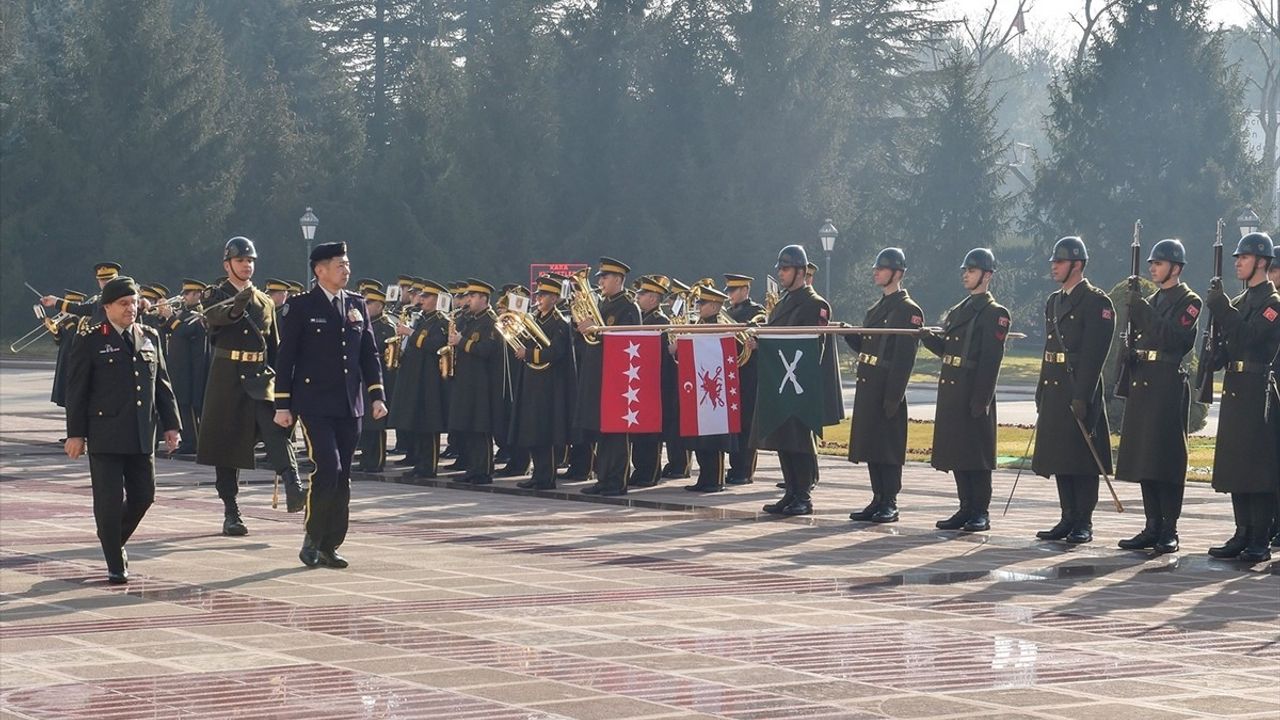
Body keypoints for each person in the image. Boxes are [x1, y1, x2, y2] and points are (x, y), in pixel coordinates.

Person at [274, 242, 387, 569]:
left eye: (347, 264)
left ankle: (330, 544)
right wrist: (283, 405)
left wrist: (377, 395)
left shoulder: (356, 304)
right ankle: (312, 537)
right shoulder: (301, 306)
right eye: (340, 265)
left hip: (350, 404)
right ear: (319, 270)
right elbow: (286, 358)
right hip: (314, 404)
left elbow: (369, 353)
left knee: (344, 475)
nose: (346, 270)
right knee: (328, 468)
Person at [63, 277, 180, 583]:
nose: (131, 309)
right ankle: (115, 561)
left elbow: (162, 385)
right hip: (106, 434)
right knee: (109, 501)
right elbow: (77, 390)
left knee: (144, 496)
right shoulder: (91, 339)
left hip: (142, 431)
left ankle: (112, 541)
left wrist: (172, 425)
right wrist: (75, 434)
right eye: (123, 304)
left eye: (133, 302)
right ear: (107, 308)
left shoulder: (150, 336)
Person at [197, 237, 304, 535]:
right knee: (226, 445)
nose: (247, 265)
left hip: (259, 375)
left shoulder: (265, 301)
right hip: (227, 377)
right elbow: (216, 319)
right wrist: (236, 305)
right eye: (241, 260)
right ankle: (231, 511)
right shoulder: (215, 294)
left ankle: (293, 483)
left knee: (275, 427)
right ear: (227, 264)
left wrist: (286, 386)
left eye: (251, 261)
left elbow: (276, 348)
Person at [1114, 239, 1201, 554]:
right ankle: (1152, 525)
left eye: (1159, 263)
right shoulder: (1152, 299)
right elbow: (1144, 336)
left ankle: (1169, 528)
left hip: (1166, 383)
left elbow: (1173, 339)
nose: (1152, 268)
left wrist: (1141, 308)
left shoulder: (1190, 301)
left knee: (1166, 457)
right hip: (1144, 381)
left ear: (1175, 268)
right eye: (1151, 263)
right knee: (1145, 457)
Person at [1031, 236, 1115, 545]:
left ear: (1077, 265)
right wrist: (1041, 388)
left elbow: (1095, 354)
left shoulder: (1097, 302)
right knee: (1060, 456)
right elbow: (1048, 349)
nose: (1054, 266)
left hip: (1079, 386)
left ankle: (1083, 520)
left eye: (1060, 261)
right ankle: (1067, 516)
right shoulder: (1054, 301)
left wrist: (1083, 395)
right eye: (1054, 261)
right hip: (1055, 386)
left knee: (1081, 459)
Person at [919, 249, 1010, 532]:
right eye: (966, 270)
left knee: (977, 455)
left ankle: (980, 510)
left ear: (987, 275)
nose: (966, 275)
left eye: (971, 270)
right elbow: (949, 350)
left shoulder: (995, 313)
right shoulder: (960, 310)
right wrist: (929, 340)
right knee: (959, 451)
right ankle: (965, 507)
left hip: (973, 390)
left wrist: (981, 398)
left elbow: (991, 359)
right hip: (954, 389)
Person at [1204, 232, 1280, 562]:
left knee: (1257, 467)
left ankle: (1259, 538)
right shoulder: (1240, 303)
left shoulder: (1273, 304)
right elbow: (1231, 345)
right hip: (1236, 388)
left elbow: (1251, 337)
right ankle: (1242, 532)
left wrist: (1222, 309)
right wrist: (1213, 355)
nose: (1238, 263)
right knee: (1237, 462)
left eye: (1244, 258)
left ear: (1262, 262)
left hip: (1258, 388)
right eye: (1236, 258)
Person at [846, 248, 924, 524]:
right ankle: (877, 497)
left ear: (898, 273)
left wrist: (894, 395)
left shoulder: (908, 310)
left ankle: (889, 500)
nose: (876, 272)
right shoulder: (876, 309)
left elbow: (904, 357)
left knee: (888, 447)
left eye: (882, 268)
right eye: (876, 268)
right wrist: (850, 335)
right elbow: (868, 347)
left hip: (887, 385)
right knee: (872, 444)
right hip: (869, 382)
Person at [753, 245, 832, 515]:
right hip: (780, 380)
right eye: (780, 268)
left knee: (798, 439)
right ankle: (791, 491)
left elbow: (812, 345)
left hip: (799, 380)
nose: (781, 273)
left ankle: (803, 494)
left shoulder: (815, 304)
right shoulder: (783, 303)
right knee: (783, 438)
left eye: (785, 268)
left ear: (800, 271)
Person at [573, 258, 641, 496]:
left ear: (619, 280)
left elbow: (628, 341)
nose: (600, 281)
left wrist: (597, 329)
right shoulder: (602, 305)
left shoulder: (628, 307)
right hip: (598, 374)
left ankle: (616, 480)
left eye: (605, 277)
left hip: (618, 377)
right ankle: (603, 477)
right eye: (600, 277)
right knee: (603, 431)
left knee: (617, 432)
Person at [510, 275, 576, 490]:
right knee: (532, 430)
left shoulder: (559, 323)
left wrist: (527, 353)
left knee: (545, 431)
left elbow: (556, 352)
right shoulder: (535, 319)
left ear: (555, 298)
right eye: (538, 294)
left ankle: (546, 477)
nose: (539, 299)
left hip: (549, 385)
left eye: (544, 295)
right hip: (531, 381)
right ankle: (537, 474)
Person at [446, 279, 506, 485]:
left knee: (480, 428)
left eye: (472, 296)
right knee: (470, 427)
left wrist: (461, 342)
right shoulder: (471, 319)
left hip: (483, 384)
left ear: (483, 298)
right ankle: (473, 468)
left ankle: (482, 471)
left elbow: (486, 350)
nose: (468, 300)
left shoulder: (491, 321)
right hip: (468, 381)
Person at [681, 285, 738, 492]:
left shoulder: (720, 327)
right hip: (699, 387)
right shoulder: (699, 324)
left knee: (714, 436)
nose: (698, 306)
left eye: (702, 303)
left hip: (715, 390)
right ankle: (704, 477)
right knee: (700, 436)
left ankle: (715, 479)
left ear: (714, 306)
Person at [629, 275, 673, 488]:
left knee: (650, 433)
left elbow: (662, 355)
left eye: (642, 294)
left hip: (655, 383)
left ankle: (650, 472)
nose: (638, 297)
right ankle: (640, 469)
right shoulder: (641, 318)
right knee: (638, 431)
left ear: (654, 299)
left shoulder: (661, 321)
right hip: (640, 381)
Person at [723, 274, 767, 485]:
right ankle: (734, 467)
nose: (730, 295)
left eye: (733, 291)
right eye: (729, 291)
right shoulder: (727, 313)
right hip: (731, 373)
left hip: (749, 374)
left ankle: (745, 469)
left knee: (747, 423)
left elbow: (762, 333)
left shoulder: (756, 312)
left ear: (745, 290)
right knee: (733, 423)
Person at [164, 279, 210, 455]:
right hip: (180, 367)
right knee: (182, 404)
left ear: (197, 294)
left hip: (192, 369)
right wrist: (164, 316)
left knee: (189, 405)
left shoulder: (199, 314)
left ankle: (193, 442)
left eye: (187, 294)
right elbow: (169, 329)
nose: (183, 297)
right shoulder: (184, 313)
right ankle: (190, 440)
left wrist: (170, 318)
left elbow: (185, 331)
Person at [357, 282, 397, 472]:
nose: (365, 305)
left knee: (376, 424)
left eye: (369, 302)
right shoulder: (364, 324)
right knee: (365, 422)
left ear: (380, 306)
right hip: (363, 377)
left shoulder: (386, 326)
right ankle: (366, 459)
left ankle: (377, 460)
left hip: (380, 375)